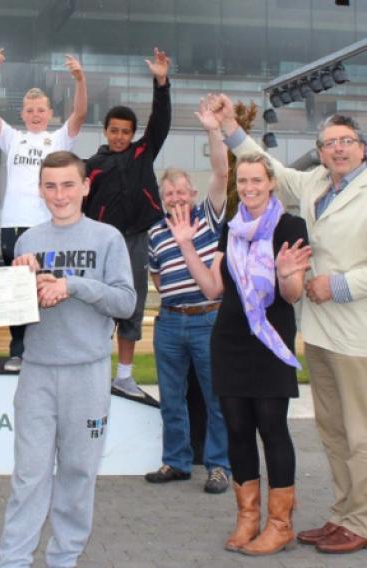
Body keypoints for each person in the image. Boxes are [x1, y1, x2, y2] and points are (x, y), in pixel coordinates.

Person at [214, 94, 367, 555]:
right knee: (333, 430)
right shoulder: (318, 183)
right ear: (320, 152)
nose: (338, 149)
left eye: (347, 141)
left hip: (355, 330)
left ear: (362, 147)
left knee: (360, 432)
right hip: (319, 332)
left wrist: (336, 285)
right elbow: (265, 169)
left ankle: (360, 519)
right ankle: (342, 513)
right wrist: (228, 127)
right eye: (329, 143)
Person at [0, 151, 135, 567]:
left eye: (68, 185)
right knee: (29, 477)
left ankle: (64, 559)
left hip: (87, 373)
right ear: (40, 190)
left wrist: (72, 286)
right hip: (38, 372)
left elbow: (126, 302)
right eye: (51, 186)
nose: (60, 194)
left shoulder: (107, 237)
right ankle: (13, 561)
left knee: (78, 473)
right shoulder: (27, 241)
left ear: (86, 186)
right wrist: (20, 284)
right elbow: (16, 315)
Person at [169, 152, 310, 555]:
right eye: (243, 182)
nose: (249, 188)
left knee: (272, 429)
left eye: (256, 181)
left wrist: (285, 275)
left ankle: (280, 524)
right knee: (236, 431)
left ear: (271, 183)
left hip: (269, 341)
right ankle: (247, 517)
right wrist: (185, 248)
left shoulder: (290, 225)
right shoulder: (231, 229)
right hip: (229, 339)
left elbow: (292, 294)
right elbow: (214, 290)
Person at [0, 48, 87, 372]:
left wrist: (80, 79)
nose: (36, 114)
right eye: (30, 110)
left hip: (48, 226)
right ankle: (19, 350)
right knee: (18, 291)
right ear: (23, 113)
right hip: (14, 225)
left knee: (46, 286)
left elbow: (80, 115)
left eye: (41, 109)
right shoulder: (12, 138)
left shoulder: (57, 140)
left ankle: (50, 349)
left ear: (50, 112)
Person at [144, 98, 230, 493]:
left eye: (181, 191)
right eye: (169, 193)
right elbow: (158, 278)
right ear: (162, 197)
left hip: (208, 318)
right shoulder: (156, 233)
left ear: (193, 192)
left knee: (215, 397)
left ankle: (218, 466)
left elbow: (221, 168)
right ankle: (176, 461)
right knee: (171, 397)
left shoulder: (209, 217)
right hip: (170, 322)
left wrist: (213, 129)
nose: (176, 197)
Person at [83, 48, 172, 399]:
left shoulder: (142, 152)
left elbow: (161, 120)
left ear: (134, 134)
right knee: (99, 308)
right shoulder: (91, 165)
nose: (120, 136)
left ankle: (124, 376)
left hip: (135, 241)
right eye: (114, 130)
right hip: (102, 245)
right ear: (105, 131)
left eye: (126, 131)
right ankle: (94, 374)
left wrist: (161, 82)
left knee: (131, 307)